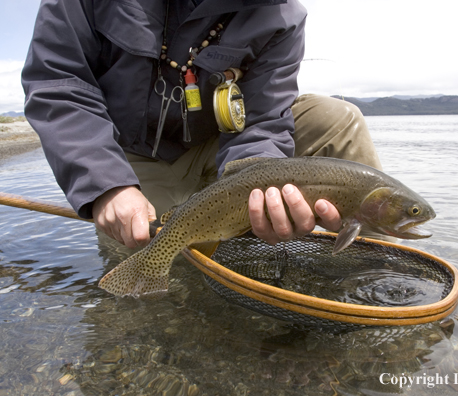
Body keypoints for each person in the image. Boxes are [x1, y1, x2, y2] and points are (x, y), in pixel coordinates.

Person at [22, 0, 382, 250]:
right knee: (156, 261)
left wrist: (259, 193)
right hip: (125, 158)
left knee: (338, 119)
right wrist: (105, 186)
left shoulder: (283, 15)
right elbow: (59, 82)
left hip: (225, 155)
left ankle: (376, 274)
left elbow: (262, 121)